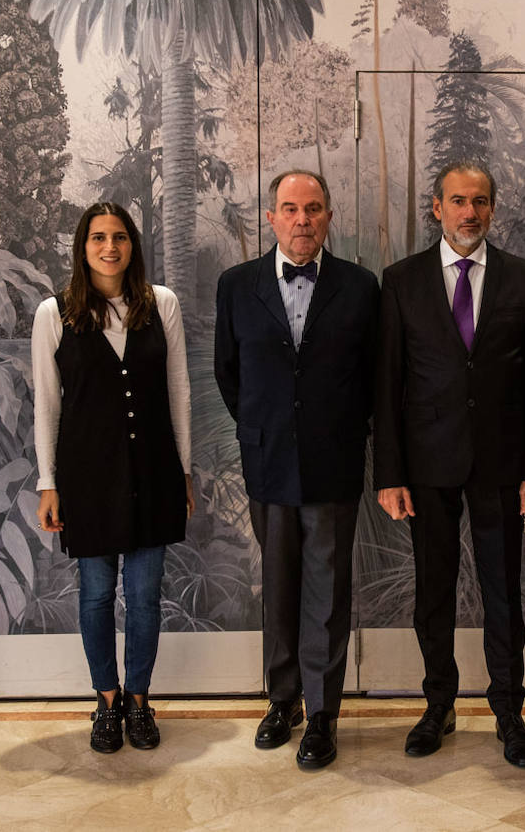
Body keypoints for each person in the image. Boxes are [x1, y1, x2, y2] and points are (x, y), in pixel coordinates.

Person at [373, 161, 525, 768]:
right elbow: (388, 383)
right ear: (436, 207)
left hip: (501, 464)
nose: (469, 212)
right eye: (457, 201)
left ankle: (509, 712)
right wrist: (390, 474)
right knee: (434, 591)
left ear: (492, 210)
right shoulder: (401, 280)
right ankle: (438, 706)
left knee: (504, 592)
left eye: (479, 201)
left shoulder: (522, 278)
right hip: (427, 465)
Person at [214, 170, 377, 769]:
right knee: (278, 586)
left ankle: (323, 712)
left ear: (329, 217)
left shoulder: (361, 288)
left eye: (313, 209)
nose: (302, 220)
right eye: (290, 208)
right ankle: (281, 700)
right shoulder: (237, 285)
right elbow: (229, 374)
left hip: (334, 461)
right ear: (271, 217)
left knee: (327, 591)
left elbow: (372, 380)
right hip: (268, 459)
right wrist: (265, 427)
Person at [32, 202, 193, 755]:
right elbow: (46, 405)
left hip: (154, 472)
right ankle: (106, 701)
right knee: (97, 595)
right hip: (86, 477)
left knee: (145, 597)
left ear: (133, 245)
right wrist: (47, 483)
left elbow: (179, 392)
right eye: (98, 237)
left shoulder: (161, 304)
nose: (109, 247)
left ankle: (140, 700)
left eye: (119, 237)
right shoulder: (54, 313)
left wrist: (185, 471)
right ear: (82, 247)